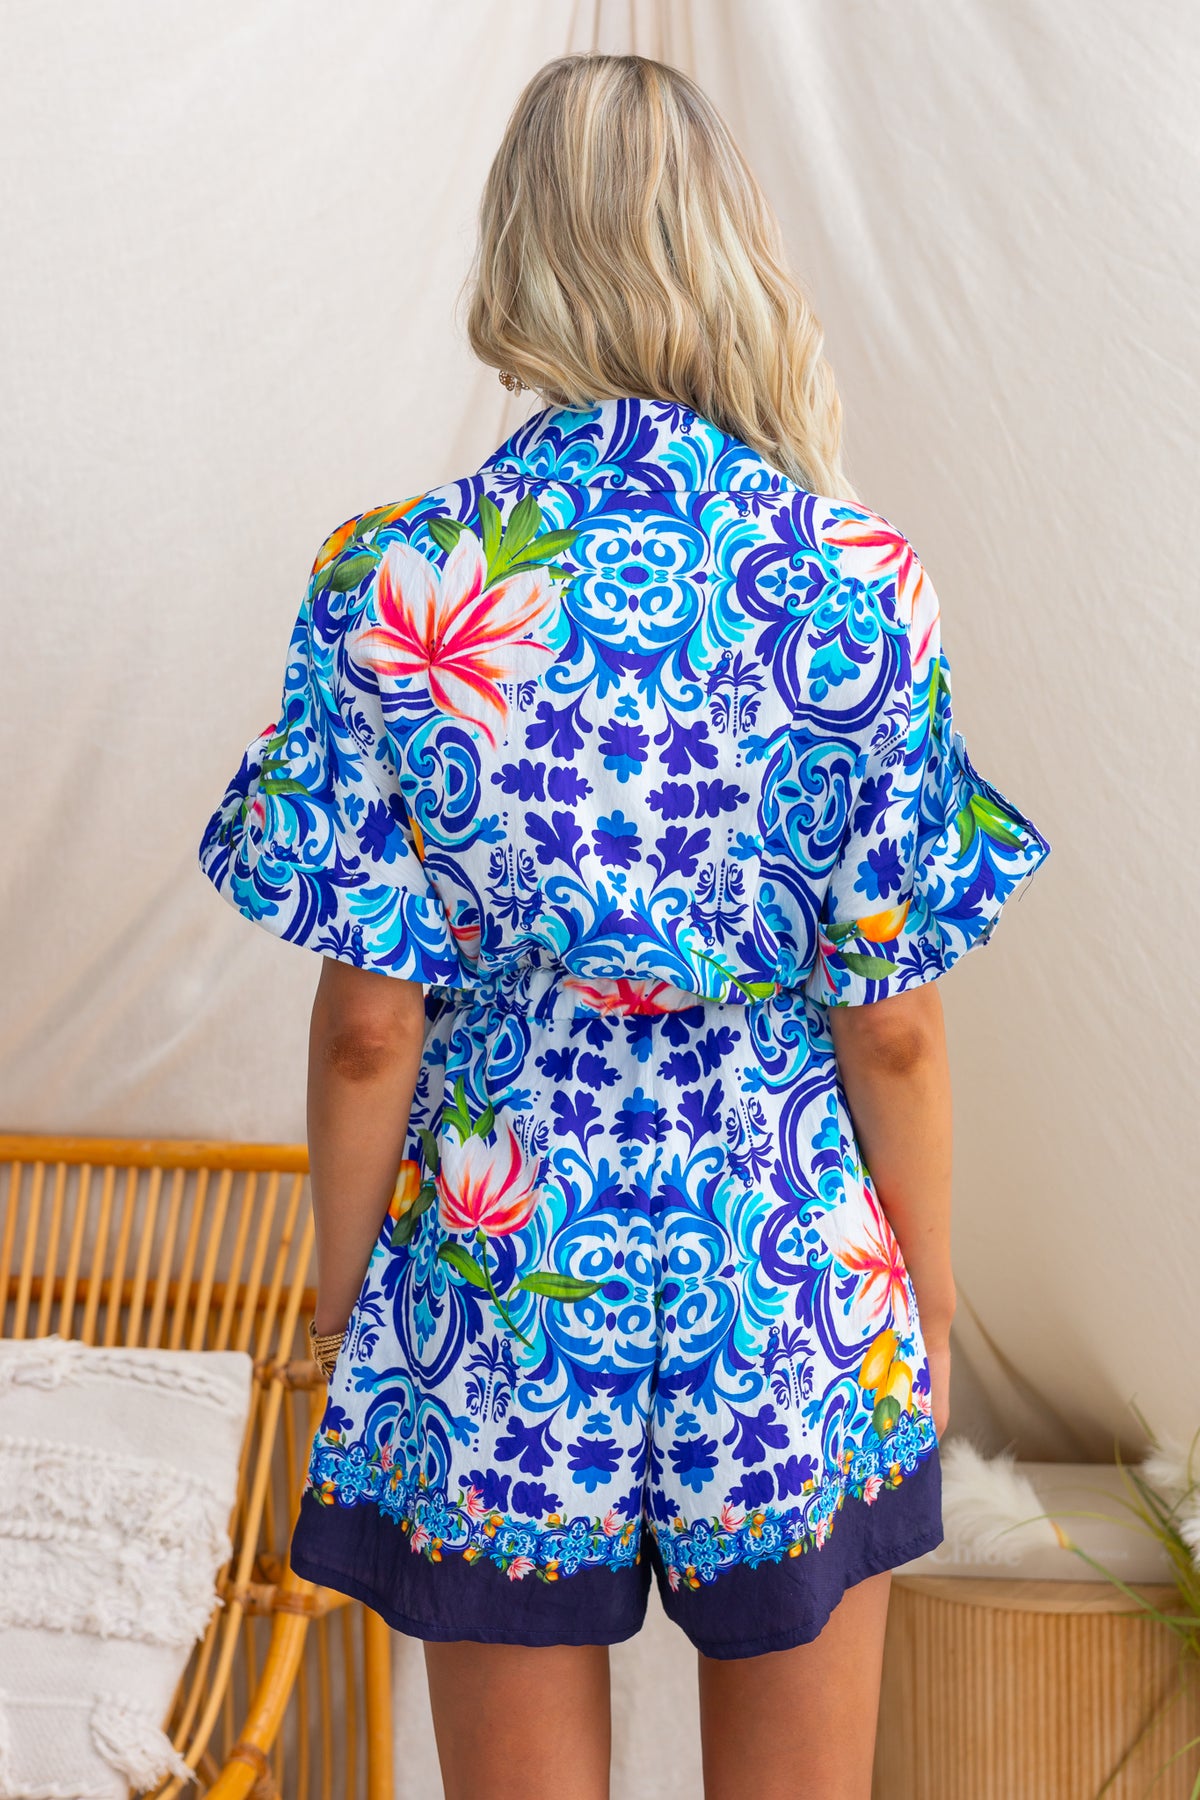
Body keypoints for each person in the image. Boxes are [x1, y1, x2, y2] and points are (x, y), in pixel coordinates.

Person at [198, 51, 1050, 1800]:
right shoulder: (851, 582)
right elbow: (892, 1021)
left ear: (515, 255)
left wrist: (358, 1312)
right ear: (724, 244)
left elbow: (368, 1029)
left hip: (501, 1265)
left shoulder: (390, 584)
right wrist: (926, 1295)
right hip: (783, 1263)